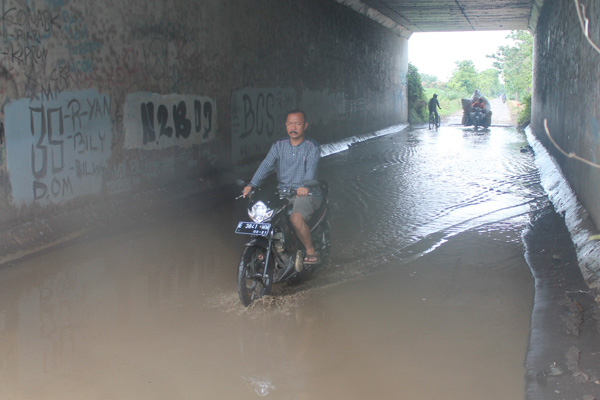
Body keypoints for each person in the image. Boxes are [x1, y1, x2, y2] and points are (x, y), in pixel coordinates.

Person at [242, 110, 322, 265]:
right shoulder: (278, 146)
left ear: (305, 126)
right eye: (290, 123)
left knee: (295, 217)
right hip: (283, 192)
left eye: (297, 124)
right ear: (285, 125)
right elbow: (266, 165)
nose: (293, 127)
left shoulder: (312, 147)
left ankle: (311, 251)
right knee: (265, 214)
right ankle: (271, 248)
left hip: (307, 193)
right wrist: (252, 185)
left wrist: (305, 186)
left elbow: (311, 170)